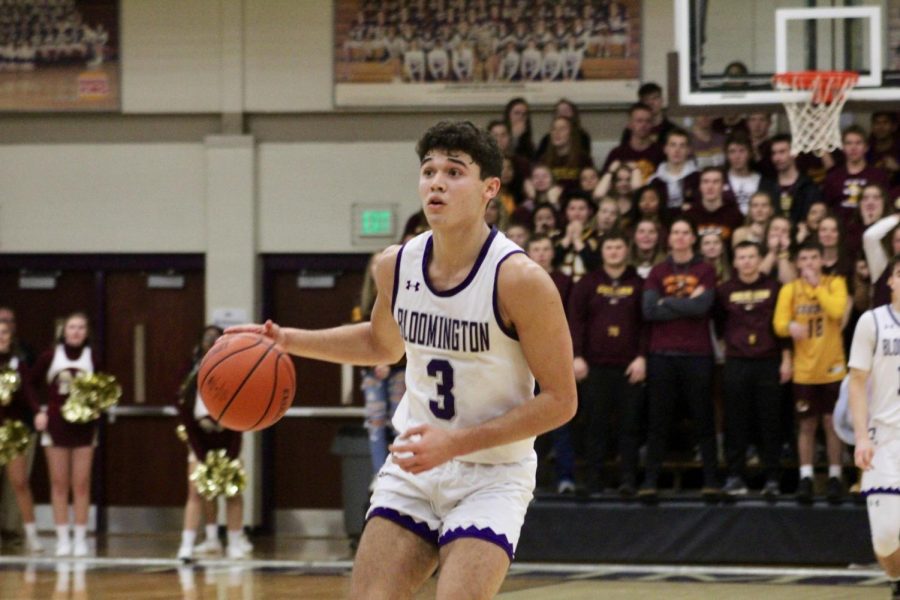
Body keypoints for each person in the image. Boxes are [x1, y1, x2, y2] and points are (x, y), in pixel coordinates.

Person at [227, 121, 577, 599]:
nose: (436, 181)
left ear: (489, 189)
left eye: (454, 172)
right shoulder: (396, 264)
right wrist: (286, 339)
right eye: (429, 170)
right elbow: (381, 345)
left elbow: (560, 401)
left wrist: (455, 444)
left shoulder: (520, 280)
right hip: (415, 466)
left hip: (492, 474)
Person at [639, 218, 719, 501]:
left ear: (692, 239)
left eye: (686, 232)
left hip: (698, 354)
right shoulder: (657, 271)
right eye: (676, 232)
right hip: (662, 355)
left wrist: (667, 303)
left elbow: (702, 307)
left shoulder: (706, 270)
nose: (681, 237)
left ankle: (711, 481)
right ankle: (649, 482)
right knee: (657, 421)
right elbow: (649, 311)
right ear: (669, 238)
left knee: (704, 419)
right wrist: (685, 304)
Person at [569, 231, 646, 496]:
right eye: (609, 247)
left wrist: (642, 357)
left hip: (629, 368)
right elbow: (575, 322)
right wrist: (576, 355)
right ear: (602, 253)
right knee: (595, 426)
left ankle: (627, 480)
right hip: (594, 366)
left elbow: (646, 323)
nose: (613, 251)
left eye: (618, 246)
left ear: (627, 250)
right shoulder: (588, 283)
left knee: (629, 427)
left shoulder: (639, 283)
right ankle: (593, 481)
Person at [773, 240, 848, 504]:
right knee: (806, 424)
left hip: (833, 368)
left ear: (822, 261)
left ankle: (835, 476)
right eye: (803, 259)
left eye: (813, 258)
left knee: (832, 424)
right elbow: (778, 324)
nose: (808, 263)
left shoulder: (835, 283)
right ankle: (805, 476)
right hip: (804, 369)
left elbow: (837, 311)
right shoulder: (790, 290)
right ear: (796, 263)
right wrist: (791, 325)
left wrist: (817, 287)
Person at [715, 241, 787, 498]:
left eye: (751, 256)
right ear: (734, 262)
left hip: (768, 361)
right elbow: (719, 325)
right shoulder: (724, 290)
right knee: (736, 422)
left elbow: (782, 327)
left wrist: (786, 359)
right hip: (737, 362)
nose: (746, 261)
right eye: (741, 257)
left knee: (770, 422)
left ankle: (772, 479)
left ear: (760, 259)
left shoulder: (774, 288)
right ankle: (735, 477)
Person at [175, 325, 252, 561]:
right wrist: (199, 453)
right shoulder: (190, 373)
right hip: (199, 440)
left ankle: (236, 540)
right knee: (197, 491)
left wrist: (231, 453)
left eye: (217, 340)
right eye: (208, 339)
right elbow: (184, 411)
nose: (212, 343)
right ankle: (191, 543)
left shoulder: (235, 372)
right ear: (201, 344)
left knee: (232, 492)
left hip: (227, 439)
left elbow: (242, 414)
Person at [848, 254, 900, 599]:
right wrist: (862, 437)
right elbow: (856, 382)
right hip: (884, 438)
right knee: (885, 536)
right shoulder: (872, 321)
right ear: (892, 281)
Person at [27, 312, 97, 556]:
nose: (76, 331)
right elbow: (29, 383)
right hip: (55, 425)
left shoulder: (93, 357)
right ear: (64, 331)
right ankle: (62, 538)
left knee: (81, 484)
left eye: (80, 327)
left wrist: (97, 406)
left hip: (85, 426)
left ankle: (80, 538)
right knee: (58, 483)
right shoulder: (50, 356)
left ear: (86, 332)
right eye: (71, 327)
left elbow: (106, 387)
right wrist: (38, 411)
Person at [0, 319, 42, 553]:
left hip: (13, 431)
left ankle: (31, 535)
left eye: (4, 333)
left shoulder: (18, 363)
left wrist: (37, 413)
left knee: (19, 483)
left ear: (10, 336)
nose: (1, 337)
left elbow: (28, 393)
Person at [770, 134, 821, 225]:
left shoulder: (808, 187)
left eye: (782, 152)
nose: (777, 158)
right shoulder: (768, 186)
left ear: (794, 153)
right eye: (774, 153)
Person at [649, 128, 699, 211]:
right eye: (673, 145)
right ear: (665, 149)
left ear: (688, 150)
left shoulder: (698, 178)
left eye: (682, 146)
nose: (677, 150)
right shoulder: (654, 181)